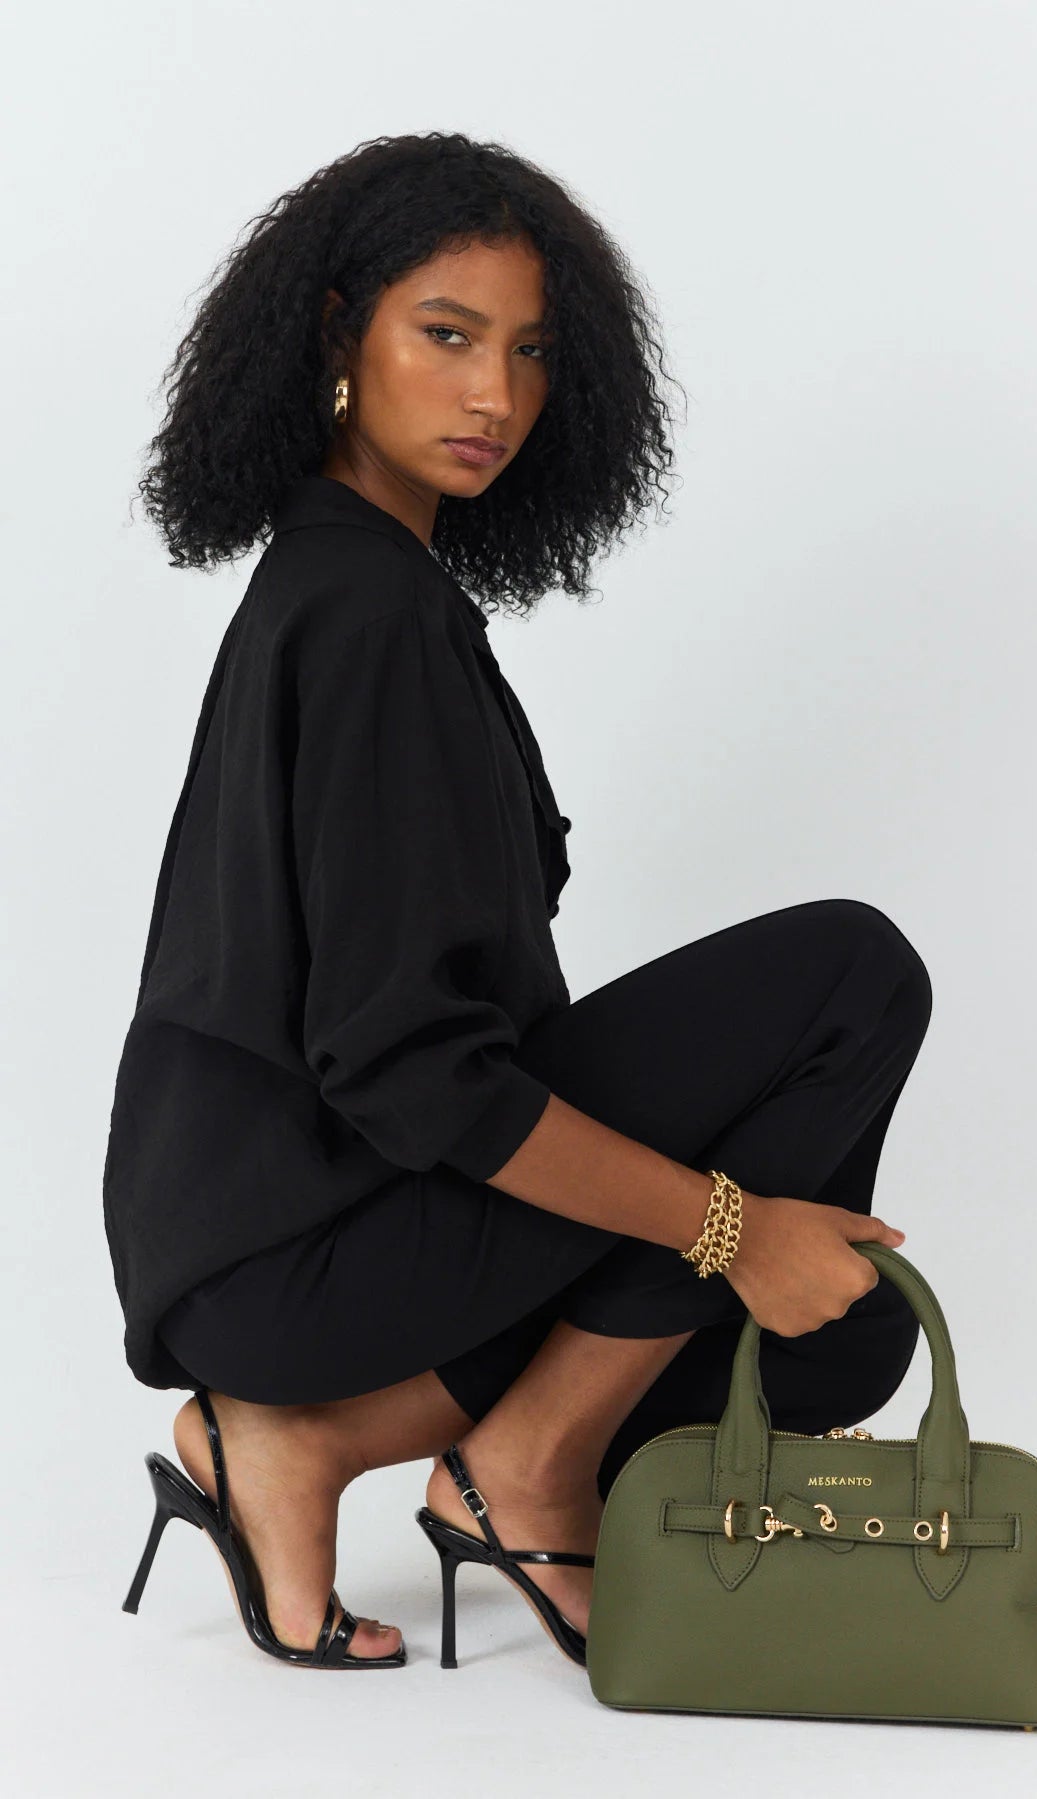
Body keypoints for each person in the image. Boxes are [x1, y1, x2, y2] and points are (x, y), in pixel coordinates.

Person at [104, 130, 933, 1672]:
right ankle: (522, 1468)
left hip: (262, 1253)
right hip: (300, 1245)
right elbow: (407, 1066)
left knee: (845, 1333)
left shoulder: (359, 586)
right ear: (339, 335)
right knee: (851, 976)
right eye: (447, 334)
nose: (495, 393)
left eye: (532, 352)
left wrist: (736, 1235)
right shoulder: (367, 615)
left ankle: (300, 1440)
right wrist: (725, 1224)